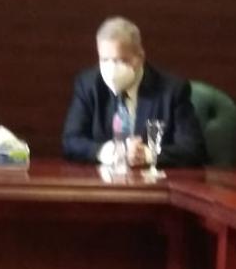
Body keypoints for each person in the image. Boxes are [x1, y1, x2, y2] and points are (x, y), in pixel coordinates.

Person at [62, 16, 208, 167]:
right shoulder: (88, 85)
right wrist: (108, 151)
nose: (111, 69)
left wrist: (148, 154)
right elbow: (71, 141)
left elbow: (194, 149)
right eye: (104, 60)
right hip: (103, 179)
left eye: (120, 60)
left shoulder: (172, 90)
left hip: (153, 179)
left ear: (140, 57)